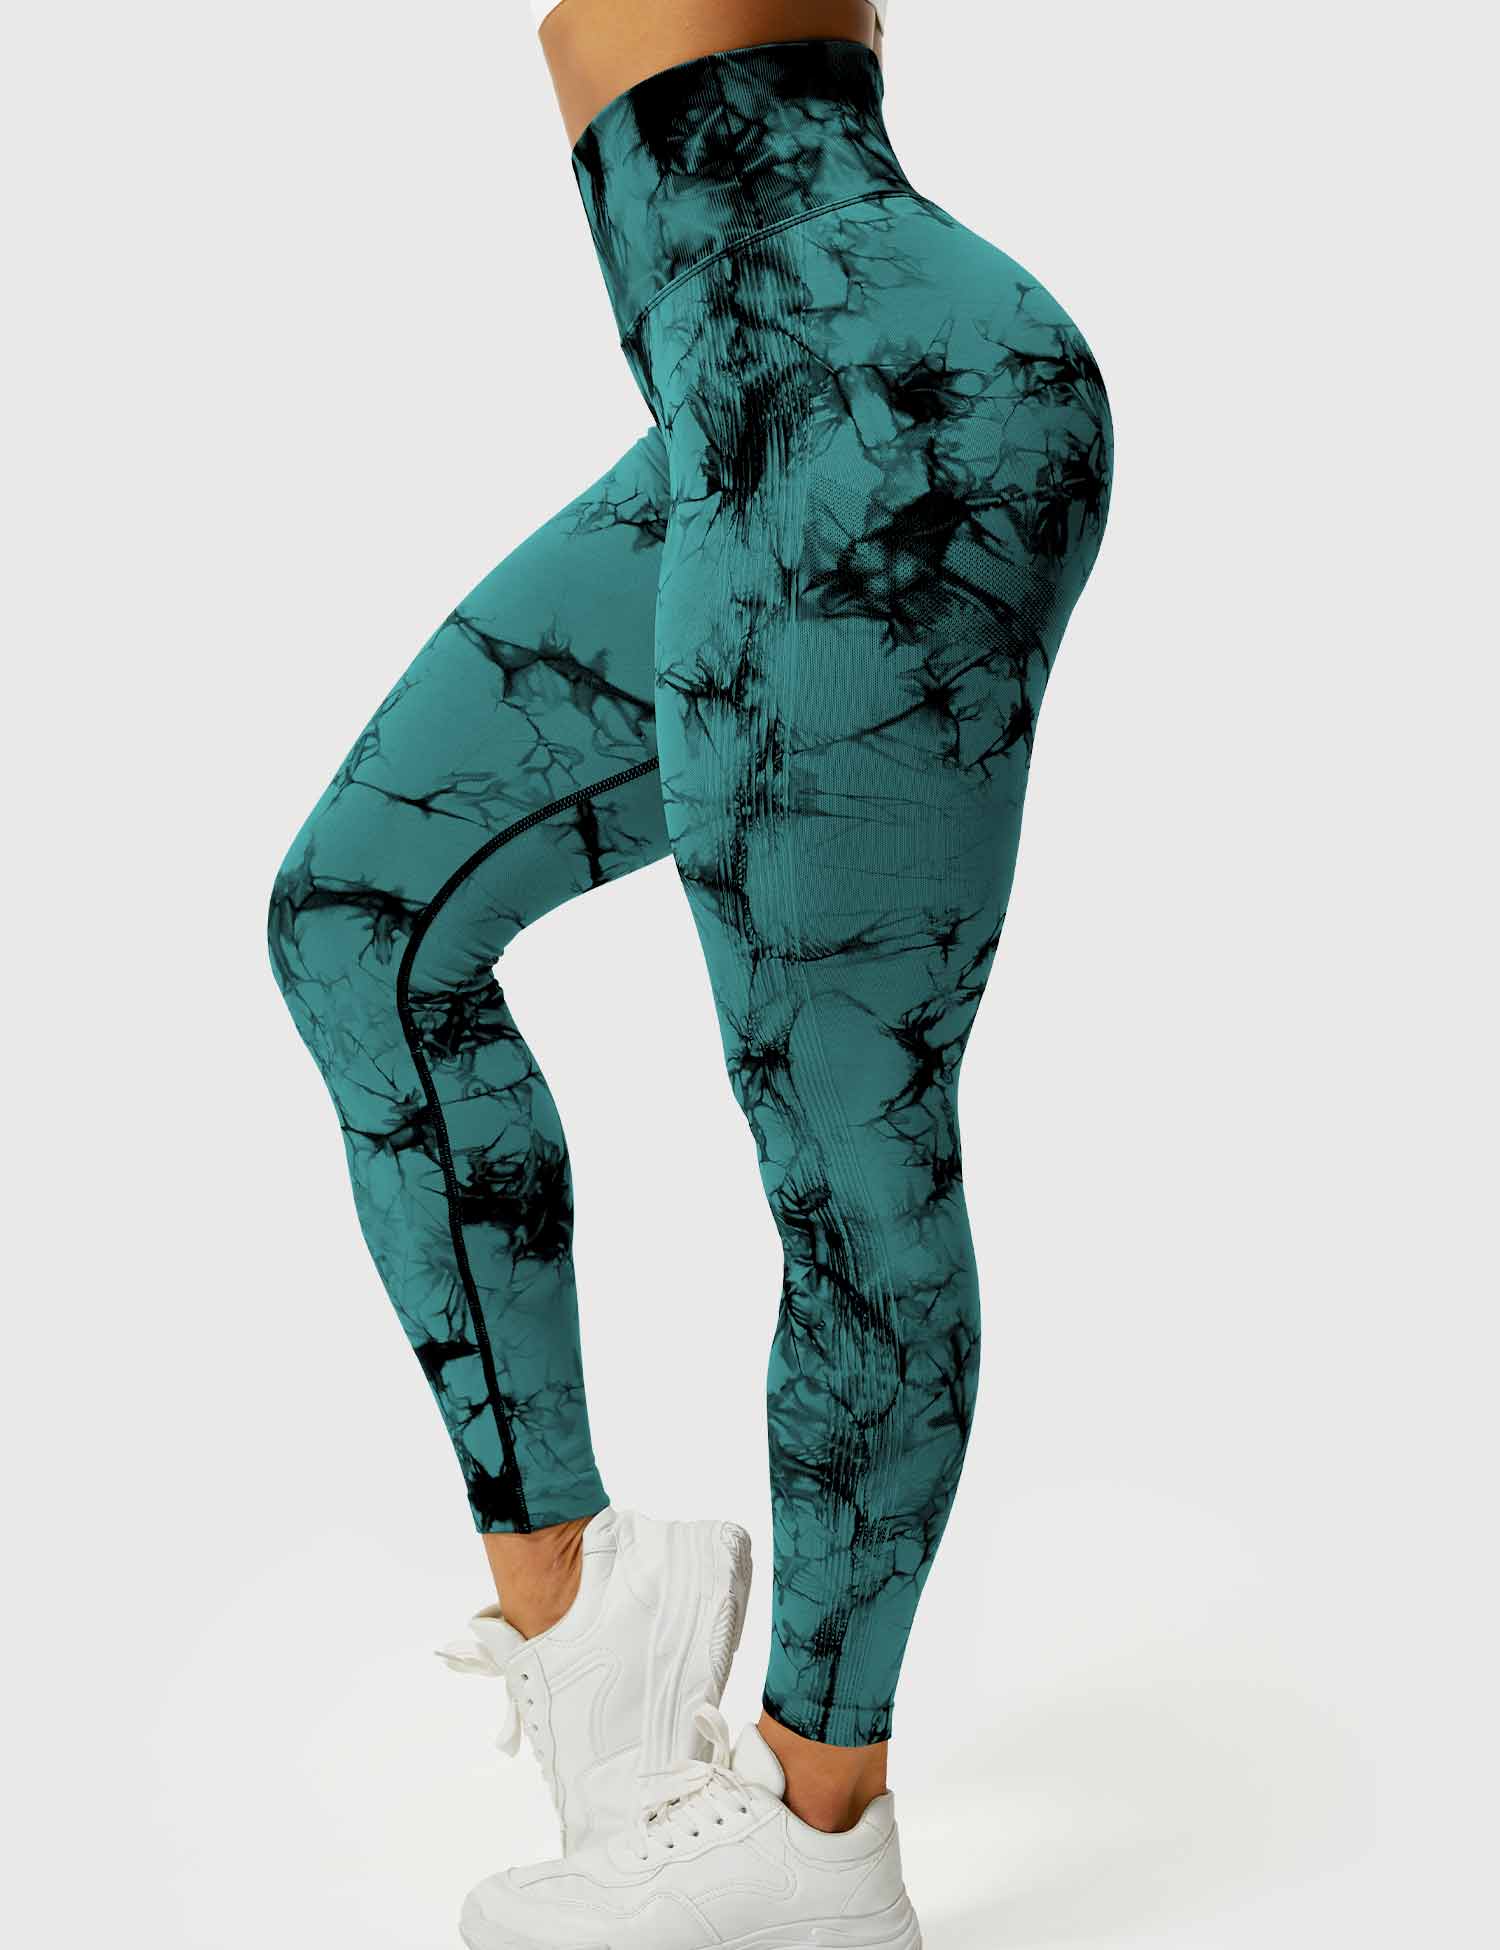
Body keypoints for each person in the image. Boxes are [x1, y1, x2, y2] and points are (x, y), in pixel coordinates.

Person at [268, 0, 1112, 1941]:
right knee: (359, 920)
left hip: (874, 404)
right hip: (760, 395)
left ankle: (820, 1840)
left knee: (849, 1134)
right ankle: (588, 1605)